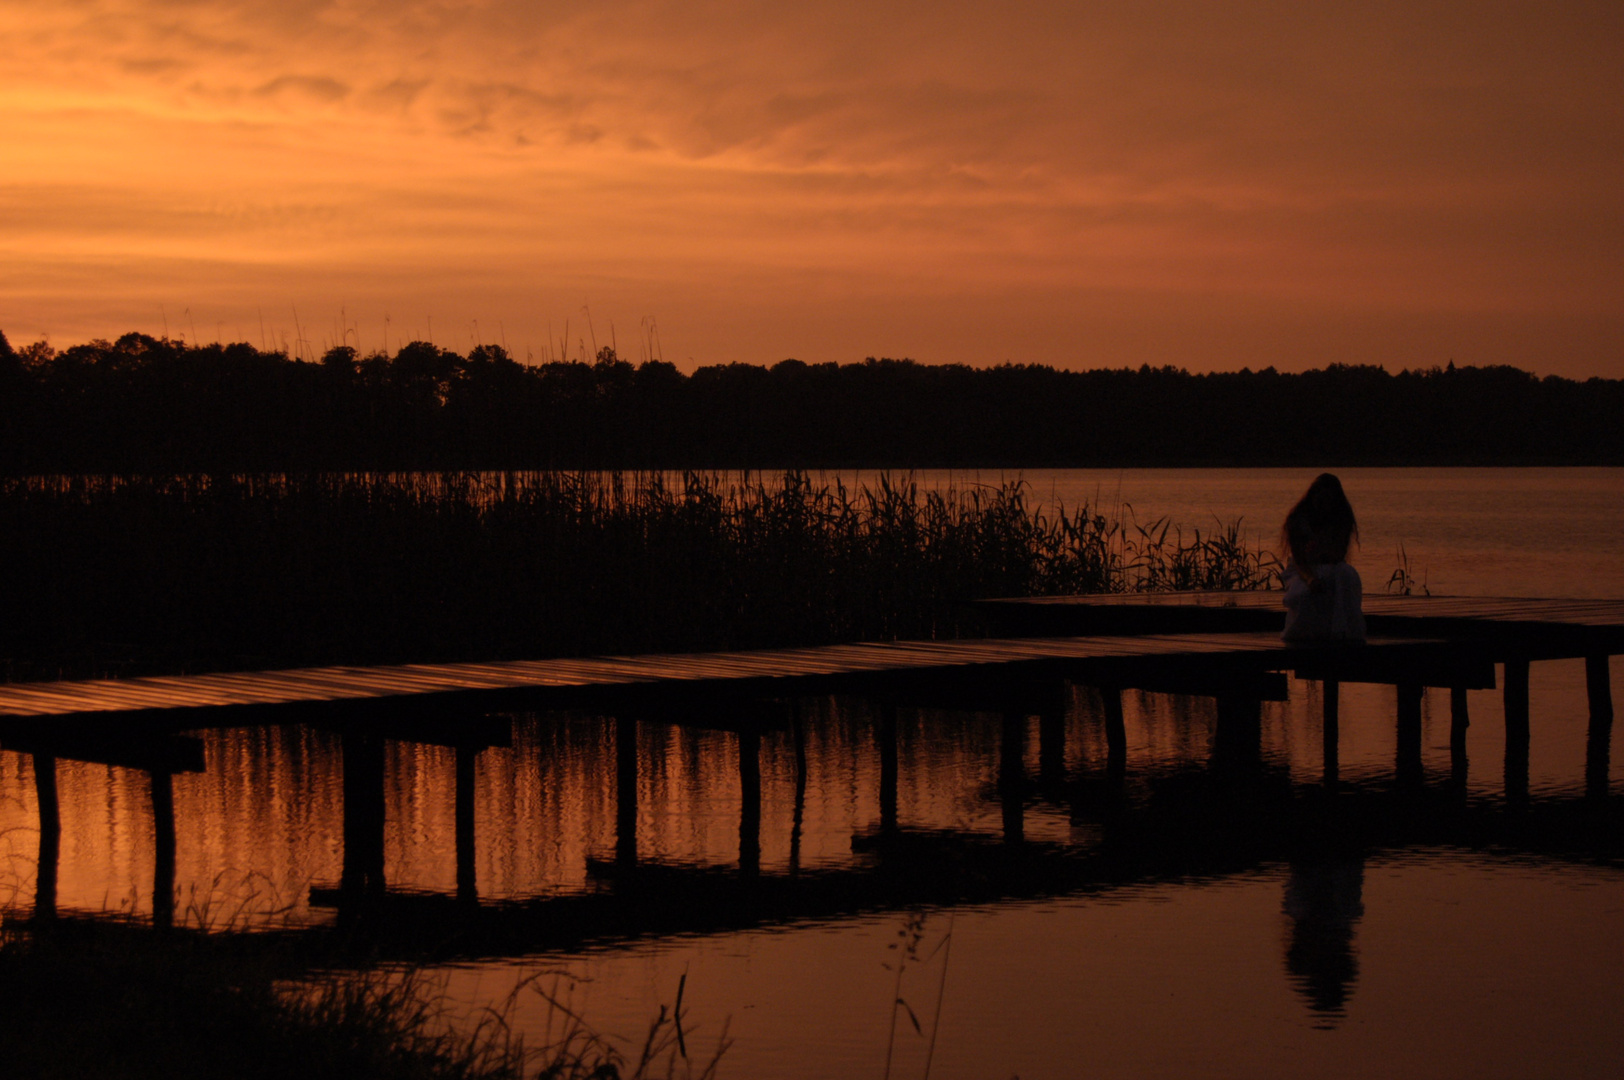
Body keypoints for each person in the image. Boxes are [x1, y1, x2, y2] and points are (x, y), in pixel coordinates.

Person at [1280, 473, 1366, 642]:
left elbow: (1338, 554)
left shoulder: (1342, 518)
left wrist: (1322, 550)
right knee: (1306, 592)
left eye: (1329, 499)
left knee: (1344, 577)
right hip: (1303, 568)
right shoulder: (1298, 519)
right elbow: (1299, 560)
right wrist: (1311, 578)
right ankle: (1305, 635)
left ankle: (1344, 632)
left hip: (1333, 565)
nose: (1323, 503)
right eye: (1320, 497)